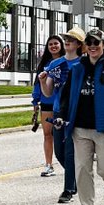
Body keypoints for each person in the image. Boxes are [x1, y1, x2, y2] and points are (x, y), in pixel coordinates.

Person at [60, 28, 104, 205]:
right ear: (85, 46)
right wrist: (62, 115)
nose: (93, 46)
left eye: (97, 43)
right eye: (89, 43)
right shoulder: (78, 67)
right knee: (82, 170)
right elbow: (67, 95)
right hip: (80, 127)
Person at [38, 26, 86, 203]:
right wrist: (43, 82)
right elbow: (49, 92)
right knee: (59, 151)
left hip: (78, 111)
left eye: (72, 40)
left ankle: (68, 189)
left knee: (70, 151)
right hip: (59, 111)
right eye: (66, 39)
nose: (67, 42)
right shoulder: (55, 64)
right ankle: (76, 178)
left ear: (79, 44)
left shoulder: (84, 64)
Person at [31, 36, 64, 177]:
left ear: (61, 45)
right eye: (50, 44)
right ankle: (49, 165)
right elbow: (38, 84)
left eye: (56, 43)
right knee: (47, 134)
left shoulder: (66, 62)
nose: (53, 46)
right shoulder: (45, 64)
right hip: (46, 103)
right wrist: (35, 102)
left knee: (64, 135)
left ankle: (70, 162)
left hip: (63, 104)